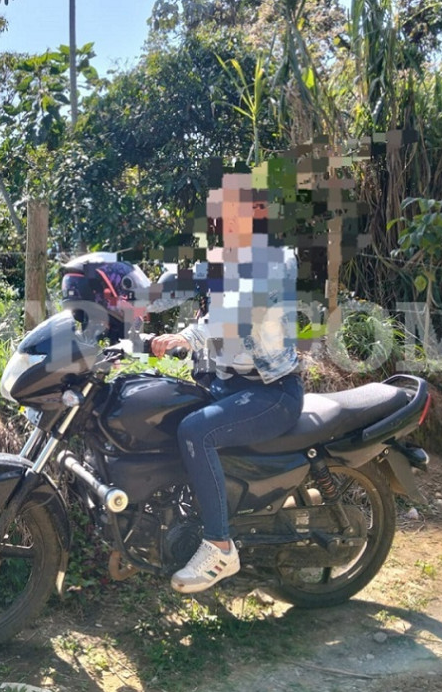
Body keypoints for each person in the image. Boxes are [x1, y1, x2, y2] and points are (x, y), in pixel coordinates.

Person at [150, 177, 305, 594]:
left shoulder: (276, 259)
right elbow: (174, 283)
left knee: (196, 432)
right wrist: (123, 298)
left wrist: (188, 336)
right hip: (225, 387)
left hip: (271, 393)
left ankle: (220, 547)